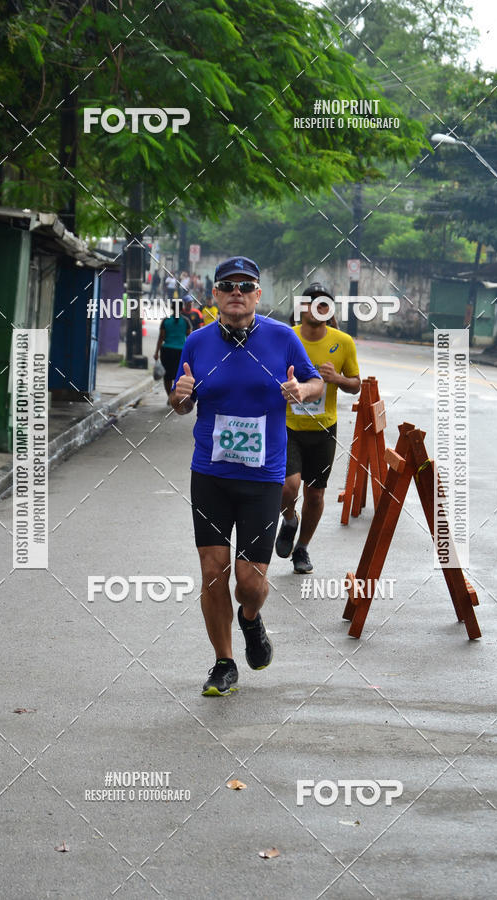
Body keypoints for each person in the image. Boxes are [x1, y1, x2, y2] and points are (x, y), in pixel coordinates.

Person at [171, 257, 323, 696]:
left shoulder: (283, 338)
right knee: (214, 571)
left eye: (246, 285)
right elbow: (181, 401)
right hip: (211, 475)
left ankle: (252, 621)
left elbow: (316, 385)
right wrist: (179, 398)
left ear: (258, 295)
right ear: (215, 295)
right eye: (227, 285)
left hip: (262, 479)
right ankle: (223, 662)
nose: (236, 291)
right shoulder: (197, 343)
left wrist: (302, 390)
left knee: (249, 583)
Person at [275, 282, 360, 574]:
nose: (316, 308)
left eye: (323, 303)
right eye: (310, 302)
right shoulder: (287, 337)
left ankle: (302, 548)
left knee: (315, 495)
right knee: (289, 485)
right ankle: (288, 519)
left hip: (324, 428)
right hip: (287, 426)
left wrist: (336, 378)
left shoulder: (343, 342)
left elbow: (356, 385)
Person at [154, 300, 191, 401]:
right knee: (179, 376)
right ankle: (176, 397)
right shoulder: (186, 321)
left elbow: (161, 337)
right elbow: (190, 338)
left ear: (172, 308)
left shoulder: (166, 321)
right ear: (182, 308)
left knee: (167, 376)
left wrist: (156, 352)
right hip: (181, 352)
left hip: (167, 351)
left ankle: (170, 397)